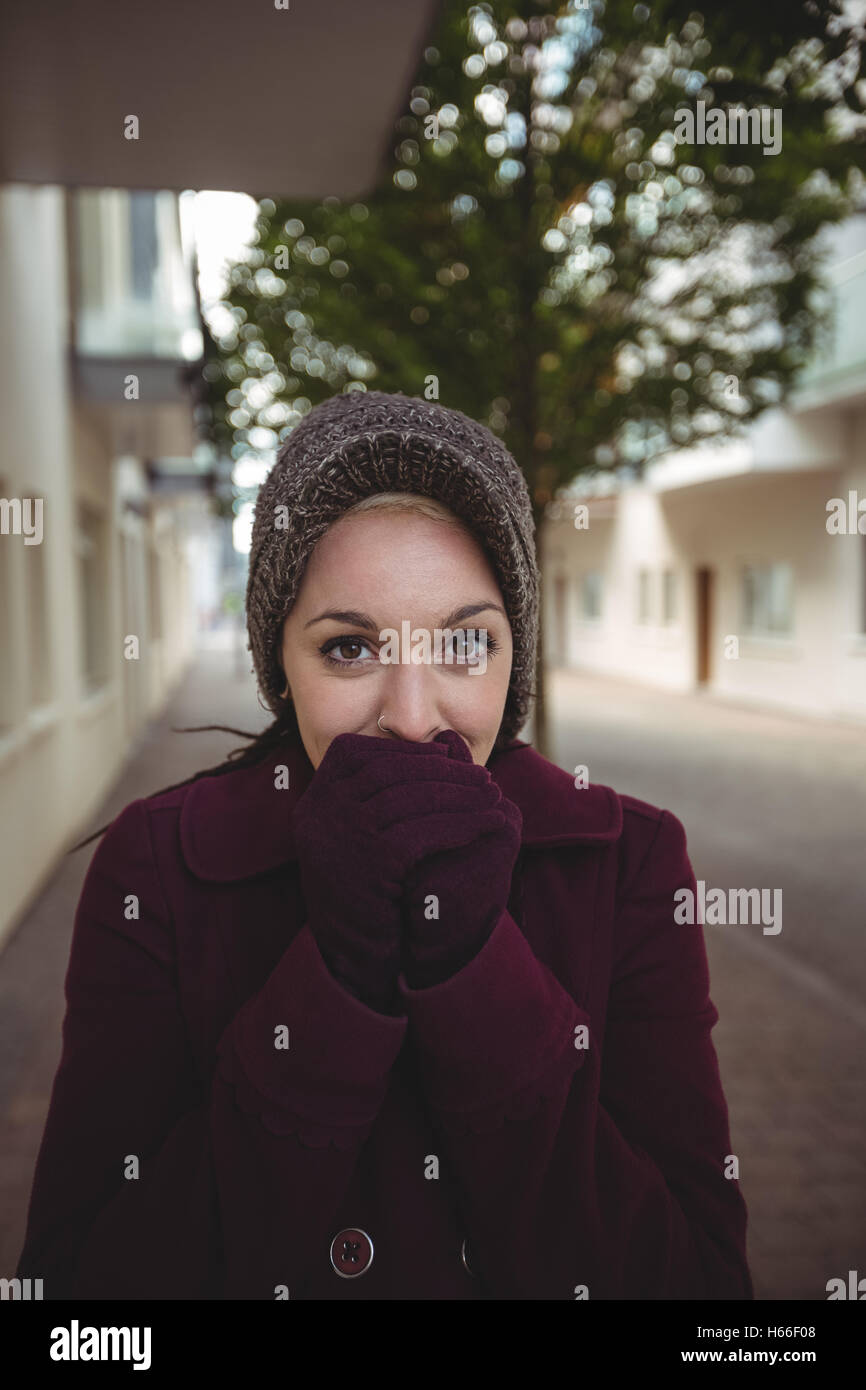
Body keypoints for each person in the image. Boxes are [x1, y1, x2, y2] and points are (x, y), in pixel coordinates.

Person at [16, 389, 753, 1300]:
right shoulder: (159, 869)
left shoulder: (627, 861)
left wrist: (477, 968)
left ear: (513, 656)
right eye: (350, 650)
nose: (411, 719)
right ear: (279, 664)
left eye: (464, 643)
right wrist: (336, 976)